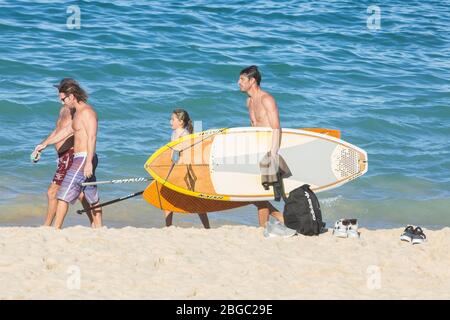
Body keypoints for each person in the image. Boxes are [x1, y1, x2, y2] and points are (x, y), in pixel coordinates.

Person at [33, 80, 102, 229]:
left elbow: (92, 137)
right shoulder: (77, 113)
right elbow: (65, 131)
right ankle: (99, 228)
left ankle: (56, 229)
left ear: (71, 96)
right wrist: (45, 144)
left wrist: (89, 162)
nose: (61, 101)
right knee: (91, 196)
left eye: (63, 98)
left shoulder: (87, 112)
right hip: (80, 158)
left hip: (84, 158)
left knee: (63, 196)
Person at [238, 65, 285, 227]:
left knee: (258, 192)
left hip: (268, 150)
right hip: (256, 150)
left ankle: (266, 226)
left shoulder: (267, 99)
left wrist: (273, 154)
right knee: (253, 193)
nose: (239, 82)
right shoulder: (249, 101)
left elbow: (276, 127)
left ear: (253, 81)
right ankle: (279, 218)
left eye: (242, 79)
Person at [163, 109, 210, 229]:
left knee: (196, 202)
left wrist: (178, 166)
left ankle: (207, 227)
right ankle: (168, 227)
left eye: (173, 119)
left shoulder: (185, 135)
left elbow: (186, 155)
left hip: (186, 171)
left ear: (181, 121)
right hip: (176, 169)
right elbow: (172, 153)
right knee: (168, 198)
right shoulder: (174, 134)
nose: (170, 122)